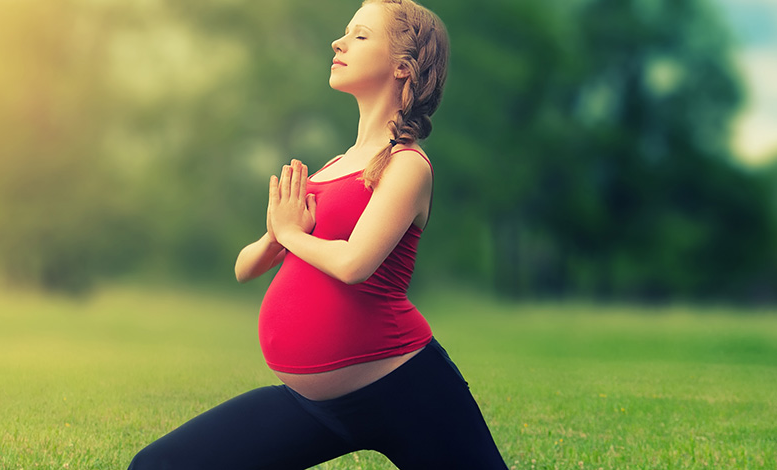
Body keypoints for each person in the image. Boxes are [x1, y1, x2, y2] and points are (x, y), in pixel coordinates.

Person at [129, 1, 507, 468]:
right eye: (345, 32)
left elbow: (353, 264)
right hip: (312, 406)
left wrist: (291, 233)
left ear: (402, 68)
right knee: (158, 465)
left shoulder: (408, 166)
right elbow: (244, 267)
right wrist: (277, 236)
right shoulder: (333, 166)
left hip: (407, 388)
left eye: (361, 35)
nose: (339, 42)